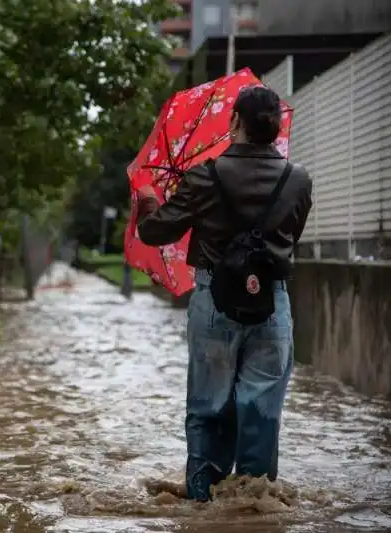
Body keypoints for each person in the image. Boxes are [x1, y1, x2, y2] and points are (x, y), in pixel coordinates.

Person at [135, 86, 313, 502]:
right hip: (272, 303)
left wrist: (149, 206)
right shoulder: (299, 180)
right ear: (276, 126)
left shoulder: (204, 176)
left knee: (209, 407)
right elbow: (290, 237)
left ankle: (202, 501)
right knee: (263, 410)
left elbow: (155, 232)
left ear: (235, 122)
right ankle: (253, 502)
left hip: (213, 300)